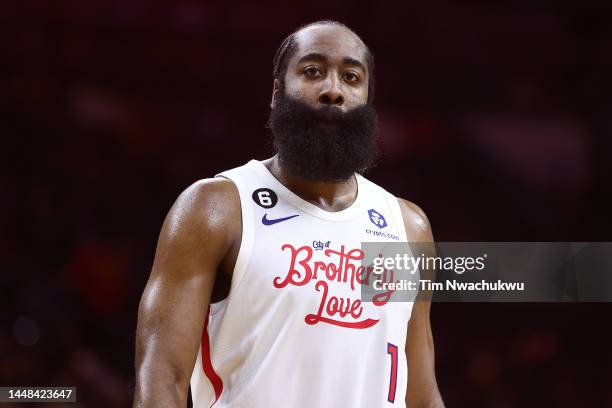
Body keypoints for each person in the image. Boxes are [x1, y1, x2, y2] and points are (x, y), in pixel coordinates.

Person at [134, 20, 444, 408]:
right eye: (313, 72)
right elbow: (163, 378)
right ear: (277, 93)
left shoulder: (406, 227)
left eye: (351, 77)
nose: (333, 90)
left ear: (367, 99)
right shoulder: (218, 208)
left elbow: (421, 394)